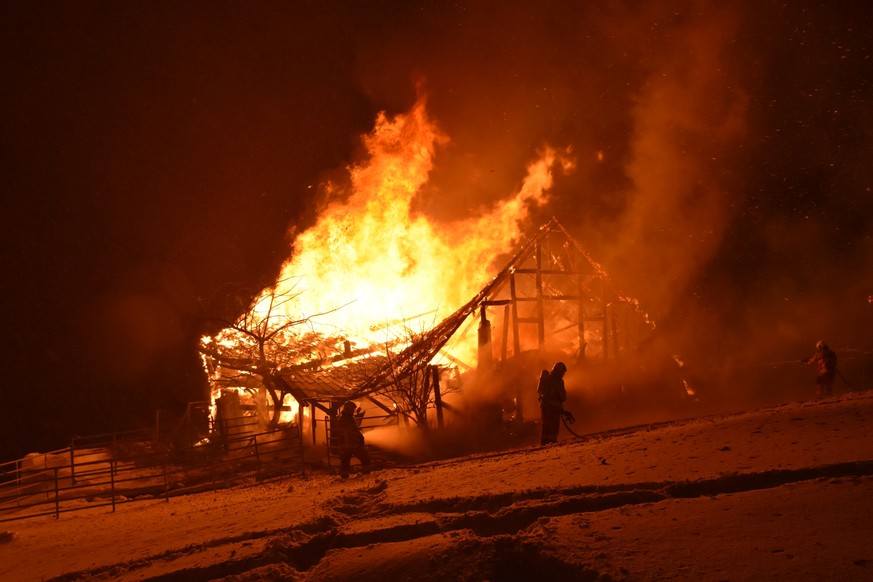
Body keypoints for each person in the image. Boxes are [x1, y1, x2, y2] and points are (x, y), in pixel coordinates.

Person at [332, 401, 371, 479]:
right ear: (348, 409)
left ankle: (344, 476)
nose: (353, 412)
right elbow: (352, 431)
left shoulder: (345, 419)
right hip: (352, 444)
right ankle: (366, 474)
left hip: (345, 445)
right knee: (364, 457)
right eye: (352, 410)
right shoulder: (346, 419)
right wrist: (360, 438)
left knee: (345, 461)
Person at [537, 362, 567, 445]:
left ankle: (548, 444)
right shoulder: (553, 380)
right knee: (549, 428)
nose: (563, 374)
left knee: (550, 428)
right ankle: (548, 445)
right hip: (550, 408)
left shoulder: (558, 381)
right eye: (562, 372)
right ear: (558, 371)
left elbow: (563, 396)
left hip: (551, 408)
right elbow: (543, 392)